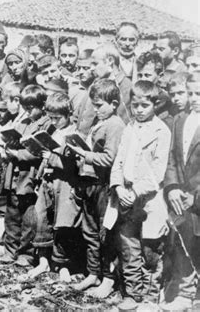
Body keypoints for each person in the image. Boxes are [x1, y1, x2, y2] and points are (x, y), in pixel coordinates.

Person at [111, 81, 171, 309]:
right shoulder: (129, 128)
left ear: (155, 104)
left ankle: (150, 295)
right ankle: (133, 293)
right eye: (135, 105)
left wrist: (136, 191)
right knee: (129, 246)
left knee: (150, 248)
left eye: (145, 105)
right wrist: (118, 187)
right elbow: (118, 162)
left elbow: (157, 171)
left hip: (149, 200)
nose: (139, 110)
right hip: (126, 197)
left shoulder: (161, 132)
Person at [67, 79, 125, 298]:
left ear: (114, 103)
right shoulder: (100, 122)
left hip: (104, 185)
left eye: (100, 105)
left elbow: (110, 158)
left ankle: (109, 279)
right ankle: (93, 273)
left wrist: (84, 154)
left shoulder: (115, 124)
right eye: (93, 104)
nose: (95, 109)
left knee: (105, 233)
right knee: (90, 232)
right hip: (89, 183)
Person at [30, 92, 83, 282]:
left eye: (58, 118)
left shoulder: (74, 133)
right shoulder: (52, 131)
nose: (54, 122)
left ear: (68, 114)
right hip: (47, 181)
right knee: (42, 220)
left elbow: (75, 165)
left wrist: (51, 158)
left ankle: (62, 264)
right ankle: (43, 260)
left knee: (63, 224)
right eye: (51, 118)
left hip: (65, 184)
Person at [0, 84, 52, 267]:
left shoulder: (47, 124)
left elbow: (40, 151)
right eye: (25, 108)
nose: (28, 112)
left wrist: (18, 153)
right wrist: (8, 148)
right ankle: (10, 250)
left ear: (42, 105)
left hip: (29, 178)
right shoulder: (22, 123)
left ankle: (26, 253)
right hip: (13, 176)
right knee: (12, 216)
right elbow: (11, 144)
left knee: (28, 218)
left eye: (31, 108)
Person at [161, 71, 200, 310]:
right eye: (192, 93)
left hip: (196, 195)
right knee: (183, 242)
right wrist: (173, 187)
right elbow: (172, 159)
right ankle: (185, 294)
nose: (194, 98)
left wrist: (194, 192)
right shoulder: (180, 120)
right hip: (181, 197)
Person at [73, 43, 132, 137]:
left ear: (110, 61)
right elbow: (80, 112)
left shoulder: (125, 87)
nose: (91, 68)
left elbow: (123, 126)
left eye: (95, 64)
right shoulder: (96, 82)